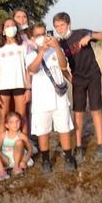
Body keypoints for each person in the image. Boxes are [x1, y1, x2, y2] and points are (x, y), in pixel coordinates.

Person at [53, 12, 102, 162]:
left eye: (62, 25)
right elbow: (62, 67)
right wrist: (71, 79)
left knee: (95, 110)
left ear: (68, 24)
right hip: (77, 79)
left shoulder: (81, 32)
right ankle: (78, 147)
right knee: (78, 113)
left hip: (93, 75)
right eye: (56, 26)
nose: (59, 28)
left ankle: (101, 145)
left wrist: (90, 36)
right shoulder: (58, 44)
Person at [27, 25, 77, 173]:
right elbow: (32, 69)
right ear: (32, 39)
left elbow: (63, 65)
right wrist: (41, 51)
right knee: (43, 131)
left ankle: (68, 157)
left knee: (64, 127)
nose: (42, 36)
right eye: (38, 35)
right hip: (41, 101)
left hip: (59, 98)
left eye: (44, 33)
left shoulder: (56, 49)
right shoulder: (30, 54)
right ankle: (46, 160)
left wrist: (56, 48)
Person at [0, 18, 30, 135]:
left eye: (13, 25)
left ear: (17, 29)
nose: (10, 28)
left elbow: (28, 68)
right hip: (3, 87)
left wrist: (28, 88)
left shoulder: (24, 46)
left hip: (20, 85)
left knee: (21, 117)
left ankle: (23, 146)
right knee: (4, 118)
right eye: (7, 26)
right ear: (3, 30)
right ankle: (2, 147)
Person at [0, 112, 32, 181]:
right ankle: (2, 172)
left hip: (19, 159)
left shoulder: (22, 136)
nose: (15, 124)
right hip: (7, 160)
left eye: (17, 121)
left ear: (20, 122)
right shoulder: (3, 135)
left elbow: (30, 149)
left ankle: (16, 167)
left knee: (19, 142)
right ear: (7, 125)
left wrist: (24, 160)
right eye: (11, 122)